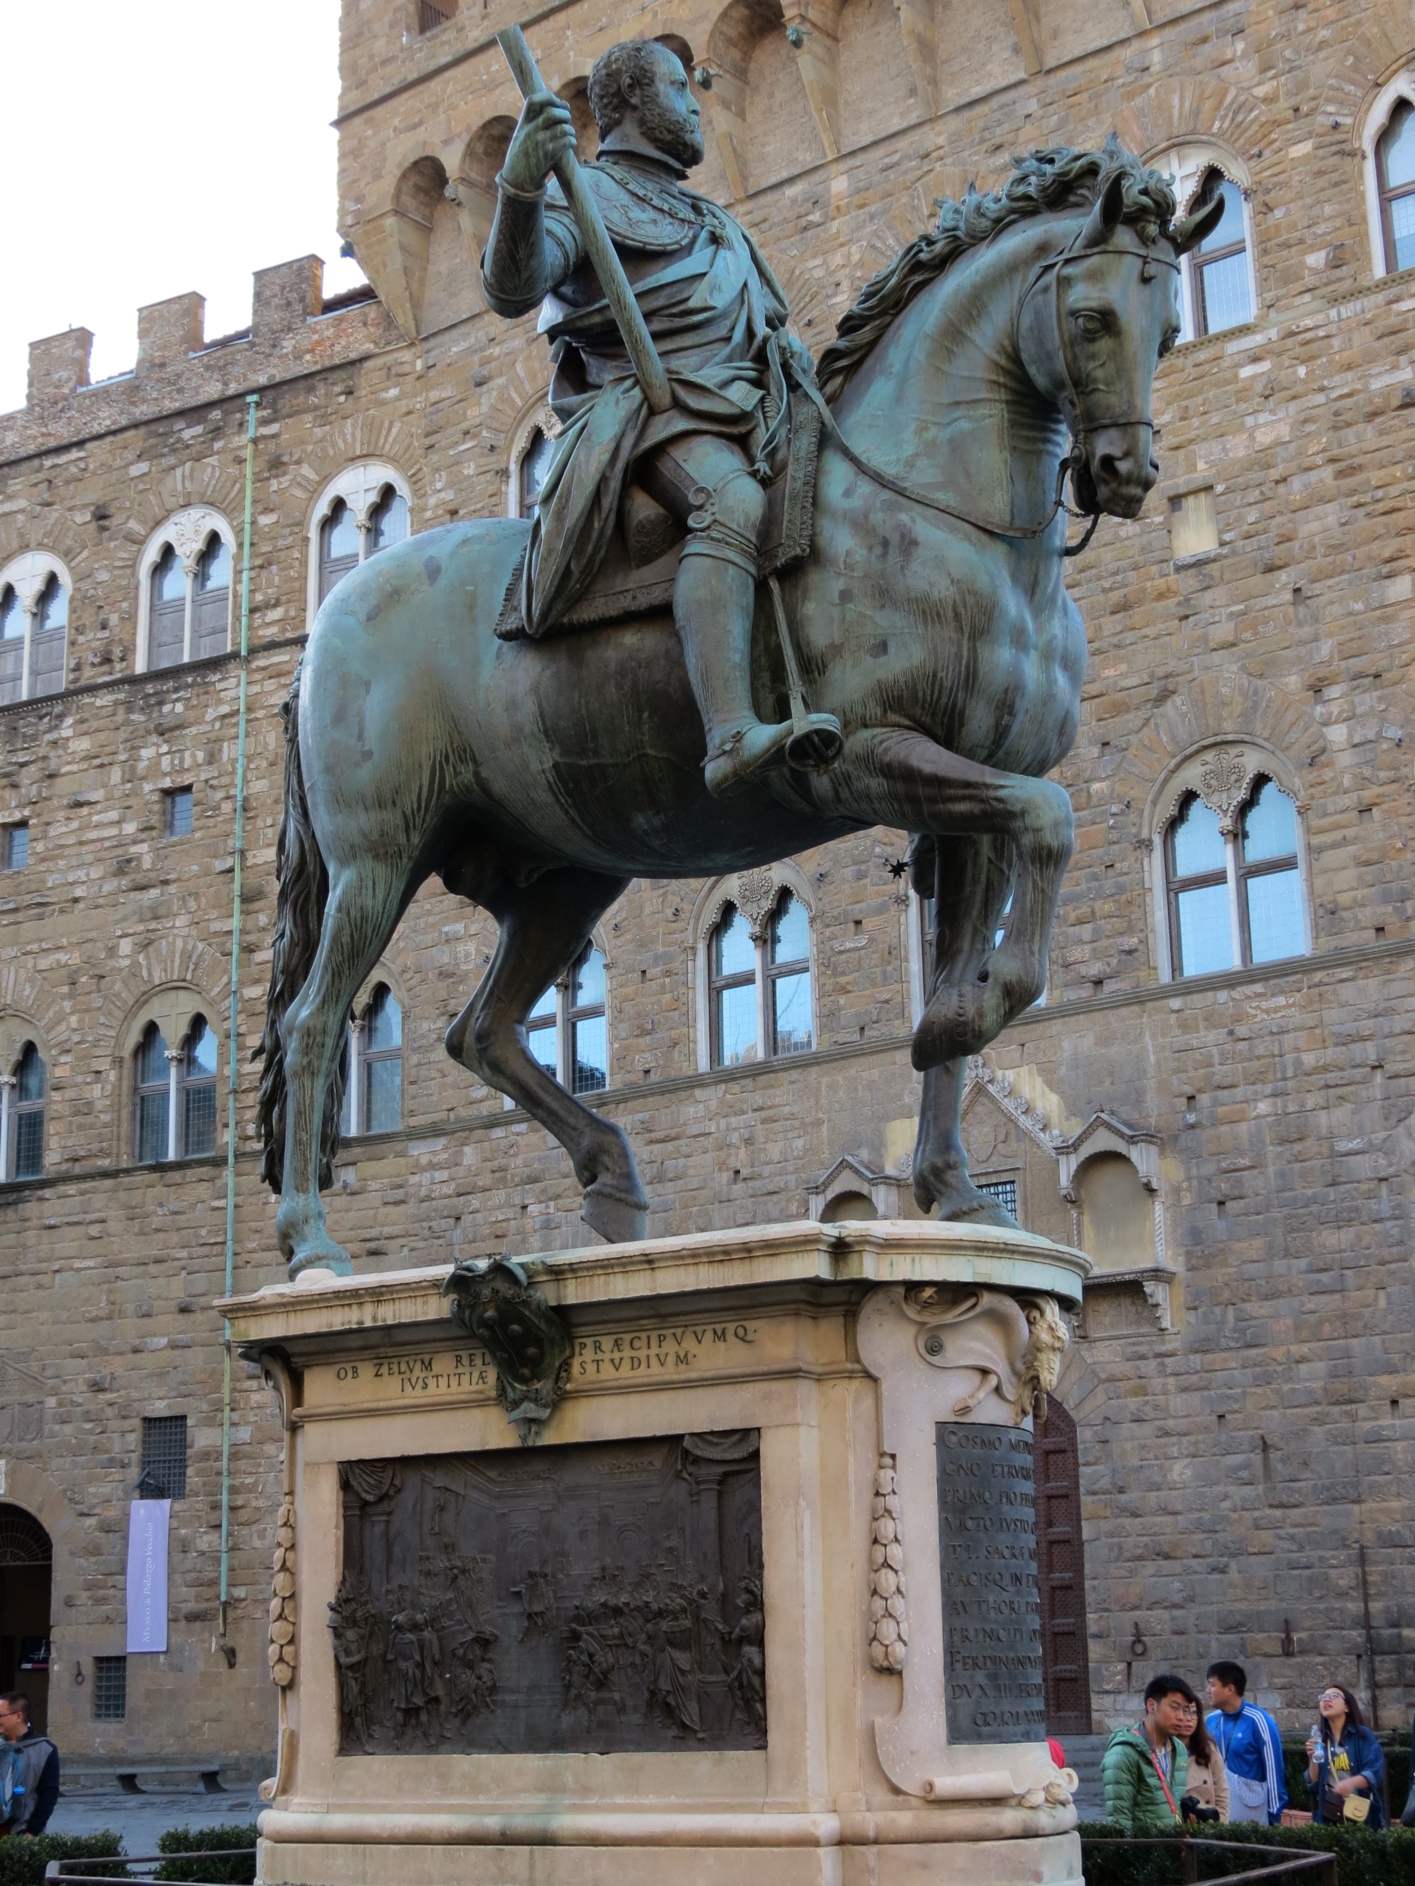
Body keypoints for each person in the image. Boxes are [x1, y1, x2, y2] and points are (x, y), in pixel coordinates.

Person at [482, 39, 842, 797]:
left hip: (747, 408)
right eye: (678, 87)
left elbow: (763, 325)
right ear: (635, 103)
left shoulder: (710, 219)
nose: (693, 100)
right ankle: (729, 735)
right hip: (652, 416)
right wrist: (518, 187)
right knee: (732, 503)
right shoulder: (584, 193)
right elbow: (514, 287)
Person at [1101, 1673, 1195, 1831]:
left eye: (1186, 1710)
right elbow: (1119, 1821)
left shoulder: (1178, 1749)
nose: (1181, 1717)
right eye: (1174, 1707)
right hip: (1146, 1852)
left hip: (1174, 1849)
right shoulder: (1124, 1752)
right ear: (1151, 1706)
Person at [1206, 1661, 1287, 1824]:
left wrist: (1274, 1817)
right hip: (1218, 1807)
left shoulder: (1259, 1720)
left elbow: (1274, 1771)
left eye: (1212, 1685)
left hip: (1251, 1810)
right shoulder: (1209, 1721)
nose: (1207, 1691)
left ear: (1230, 1689)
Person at [1306, 1684, 1386, 1827]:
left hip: (1360, 1813)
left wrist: (1351, 1783)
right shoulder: (1321, 1740)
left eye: (1334, 1696)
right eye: (1323, 1697)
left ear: (1347, 1707)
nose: (1326, 1700)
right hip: (1330, 1815)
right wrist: (1312, 1759)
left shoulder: (1362, 1735)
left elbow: (1375, 1771)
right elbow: (1313, 1786)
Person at [0, 1691, 58, 1838]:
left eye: (1, 1715)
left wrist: (32, 1832)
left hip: (22, 1831)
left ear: (18, 1716)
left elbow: (48, 1796)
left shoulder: (45, 1750)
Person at [1176, 1693, 1229, 1821]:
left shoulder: (1208, 1748)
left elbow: (1222, 1795)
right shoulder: (1163, 1750)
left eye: (1193, 1712)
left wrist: (1218, 1827)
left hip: (1208, 1828)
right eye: (1184, 1711)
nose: (1189, 1718)